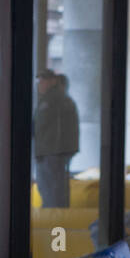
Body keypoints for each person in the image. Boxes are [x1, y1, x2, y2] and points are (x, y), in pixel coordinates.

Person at [33, 71, 79, 209]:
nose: (40, 85)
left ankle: (54, 222)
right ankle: (58, 219)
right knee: (57, 188)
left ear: (53, 81)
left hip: (51, 151)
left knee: (49, 189)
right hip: (58, 151)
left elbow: (39, 126)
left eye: (43, 81)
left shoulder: (51, 100)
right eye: (39, 81)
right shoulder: (64, 99)